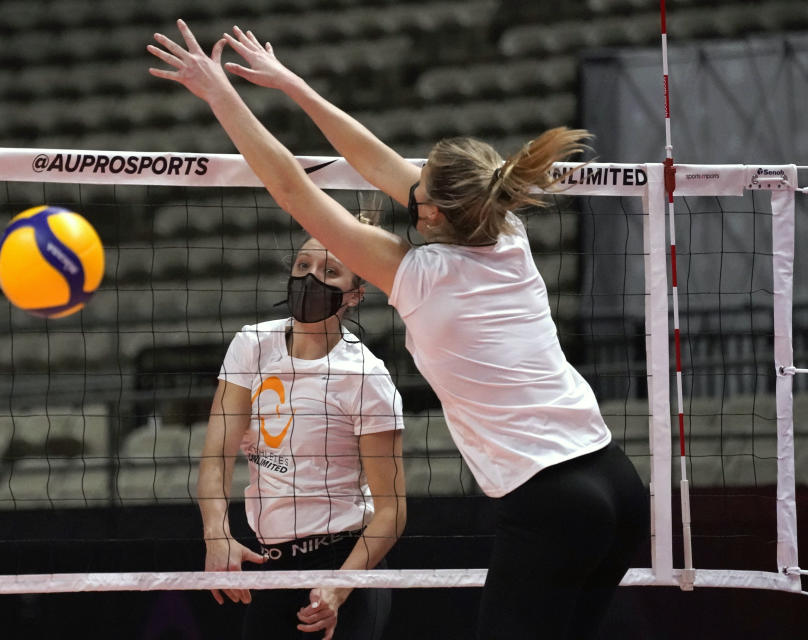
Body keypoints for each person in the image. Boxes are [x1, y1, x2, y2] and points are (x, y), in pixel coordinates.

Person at [148, 20, 649, 640]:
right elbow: (372, 158)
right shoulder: (507, 233)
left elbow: (288, 184)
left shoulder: (420, 274)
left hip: (552, 502)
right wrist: (289, 84)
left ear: (431, 210)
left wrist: (220, 94)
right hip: (617, 481)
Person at [196, 230, 406, 640]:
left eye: (330, 272)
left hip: (346, 561)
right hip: (271, 566)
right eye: (303, 266)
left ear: (355, 294)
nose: (311, 279)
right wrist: (216, 534)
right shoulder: (252, 344)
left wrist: (338, 587)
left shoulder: (365, 376)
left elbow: (391, 512)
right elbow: (216, 457)